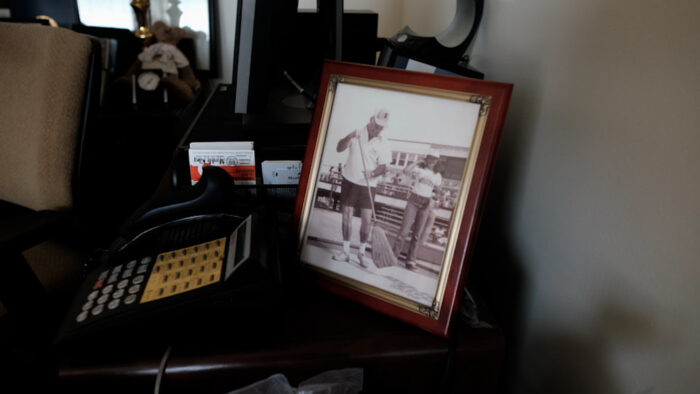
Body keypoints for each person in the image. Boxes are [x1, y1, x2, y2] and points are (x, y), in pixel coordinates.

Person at [332, 109, 392, 267]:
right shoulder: (357, 133)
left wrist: (372, 172)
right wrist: (349, 136)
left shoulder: (384, 142)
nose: (377, 129)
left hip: (368, 185)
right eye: (376, 125)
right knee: (347, 217)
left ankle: (361, 253)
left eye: (381, 127)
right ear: (371, 119)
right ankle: (345, 252)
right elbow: (339, 148)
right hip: (349, 180)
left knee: (366, 221)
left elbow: (384, 167)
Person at [392, 149, 443, 270]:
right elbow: (405, 171)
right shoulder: (419, 169)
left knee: (417, 235)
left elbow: (438, 190)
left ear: (437, 161)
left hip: (426, 203)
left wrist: (436, 197)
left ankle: (410, 261)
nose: (432, 161)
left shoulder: (437, 175)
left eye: (434, 159)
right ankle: (393, 256)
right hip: (414, 200)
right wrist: (417, 162)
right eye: (430, 158)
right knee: (404, 231)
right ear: (426, 158)